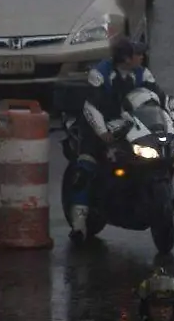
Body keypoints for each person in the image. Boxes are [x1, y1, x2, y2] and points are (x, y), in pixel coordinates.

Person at [66, 36, 159, 240]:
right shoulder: (100, 74)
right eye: (138, 54)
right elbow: (92, 107)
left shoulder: (143, 73)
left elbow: (157, 99)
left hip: (131, 125)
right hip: (97, 126)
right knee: (86, 167)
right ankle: (79, 224)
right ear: (126, 58)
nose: (142, 56)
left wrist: (172, 119)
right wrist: (103, 133)